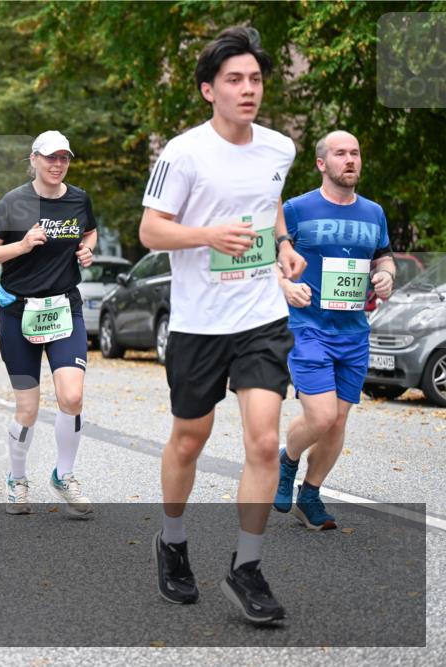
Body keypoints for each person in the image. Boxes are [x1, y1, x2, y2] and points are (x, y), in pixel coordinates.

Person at [138, 26, 306, 623]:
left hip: (261, 315)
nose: (248, 89)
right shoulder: (183, 153)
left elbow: (269, 201)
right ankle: (173, 541)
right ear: (209, 89)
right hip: (198, 323)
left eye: (255, 79)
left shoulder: (279, 148)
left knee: (263, 439)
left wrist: (282, 243)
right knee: (190, 438)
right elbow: (151, 231)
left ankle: (248, 566)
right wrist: (208, 234)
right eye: (234, 80)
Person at [273, 131, 395, 530]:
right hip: (308, 326)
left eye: (355, 153)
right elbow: (270, 257)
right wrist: (286, 285)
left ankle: (310, 493)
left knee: (338, 421)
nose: (350, 160)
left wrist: (386, 276)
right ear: (322, 164)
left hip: (354, 331)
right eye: (340, 153)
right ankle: (287, 461)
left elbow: (384, 257)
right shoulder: (295, 209)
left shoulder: (373, 212)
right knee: (322, 415)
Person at [0, 130, 98, 518]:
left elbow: (90, 230)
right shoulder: (13, 202)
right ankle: (17, 478)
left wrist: (88, 248)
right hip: (19, 312)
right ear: (34, 159)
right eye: (50, 157)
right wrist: (22, 246)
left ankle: (64, 475)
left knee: (72, 396)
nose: (57, 164)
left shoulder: (79, 198)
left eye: (64, 157)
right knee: (27, 408)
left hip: (65, 307)